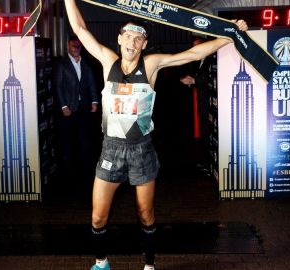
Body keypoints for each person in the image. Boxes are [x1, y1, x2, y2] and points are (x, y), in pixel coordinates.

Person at [63, 1, 248, 269]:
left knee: (145, 213)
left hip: (141, 150)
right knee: (97, 218)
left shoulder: (151, 65)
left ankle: (149, 265)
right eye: (128, 36)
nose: (132, 42)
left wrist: (228, 36)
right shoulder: (107, 61)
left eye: (138, 39)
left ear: (144, 44)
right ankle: (101, 262)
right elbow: (80, 28)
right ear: (119, 39)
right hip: (111, 149)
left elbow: (191, 56)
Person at [54, 35, 99, 180]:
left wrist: (94, 102)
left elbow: (92, 83)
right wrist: (64, 106)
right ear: (68, 47)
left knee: (85, 138)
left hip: (84, 107)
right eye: (74, 46)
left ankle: (85, 169)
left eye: (79, 46)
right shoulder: (62, 64)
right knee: (68, 139)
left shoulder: (85, 64)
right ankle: (68, 170)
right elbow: (59, 86)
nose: (76, 49)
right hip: (69, 108)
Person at [179, 36, 216, 175]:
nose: (196, 49)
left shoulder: (211, 60)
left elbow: (210, 79)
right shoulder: (197, 61)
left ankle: (208, 163)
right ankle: (205, 161)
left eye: (199, 46)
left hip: (209, 104)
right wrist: (189, 81)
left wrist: (194, 80)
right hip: (200, 102)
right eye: (194, 47)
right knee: (202, 132)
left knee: (207, 132)